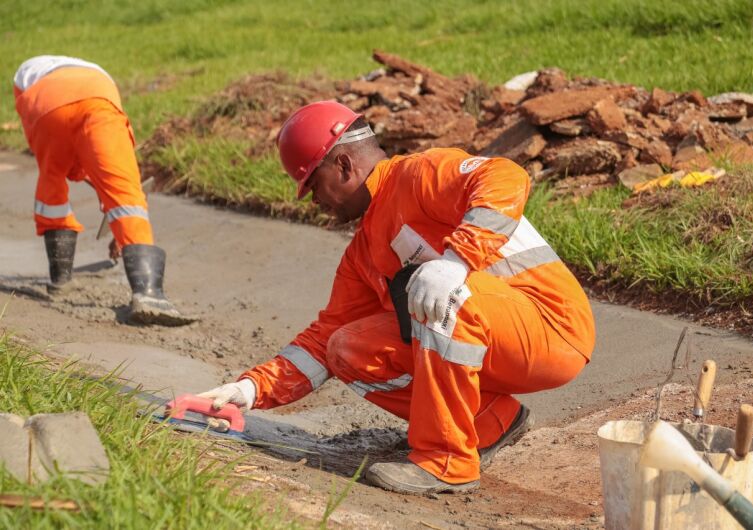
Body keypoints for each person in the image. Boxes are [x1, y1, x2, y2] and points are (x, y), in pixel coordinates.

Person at [200, 101, 596, 494]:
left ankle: (447, 463)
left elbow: (505, 175)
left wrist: (457, 261)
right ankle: (489, 421)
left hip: (552, 329)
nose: (314, 201)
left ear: (343, 165)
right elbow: (323, 341)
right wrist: (248, 390)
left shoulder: (418, 174)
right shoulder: (364, 250)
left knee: (443, 295)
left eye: (314, 185)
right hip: (496, 334)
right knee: (347, 347)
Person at [13, 55, 191, 326]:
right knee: (125, 192)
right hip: (99, 97)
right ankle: (149, 293)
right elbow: (101, 164)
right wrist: (117, 220)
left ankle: (60, 279)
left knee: (52, 182)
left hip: (45, 102)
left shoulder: (26, 75)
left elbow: (70, 156)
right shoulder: (94, 73)